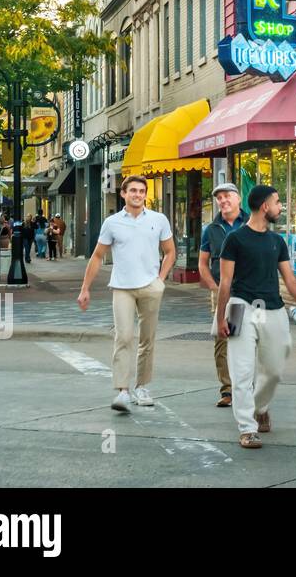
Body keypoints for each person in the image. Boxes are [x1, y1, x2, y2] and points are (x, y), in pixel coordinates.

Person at [216, 184, 296, 449]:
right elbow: (225, 282)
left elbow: (289, 277)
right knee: (242, 370)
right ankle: (248, 428)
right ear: (264, 206)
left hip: (272, 308)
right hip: (240, 307)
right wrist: (221, 318)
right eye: (278, 202)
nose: (281, 207)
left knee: (274, 369)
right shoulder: (234, 239)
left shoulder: (276, 241)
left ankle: (261, 407)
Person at [76, 175, 177, 413]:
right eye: (133, 190)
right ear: (123, 193)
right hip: (122, 287)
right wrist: (85, 288)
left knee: (147, 339)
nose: (137, 195)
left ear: (145, 194)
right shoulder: (112, 223)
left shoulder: (158, 219)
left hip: (151, 287)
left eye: (142, 191)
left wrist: (160, 280)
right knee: (123, 336)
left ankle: (142, 387)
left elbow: (170, 252)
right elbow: (98, 256)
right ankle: (122, 391)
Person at [198, 183, 247, 407]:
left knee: (249, 337)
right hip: (222, 290)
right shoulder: (211, 229)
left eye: (227, 196)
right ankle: (227, 389)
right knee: (222, 338)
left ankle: (248, 385)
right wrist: (215, 289)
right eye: (219, 198)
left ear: (238, 198)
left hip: (249, 289)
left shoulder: (251, 222)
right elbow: (203, 263)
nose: (223, 200)